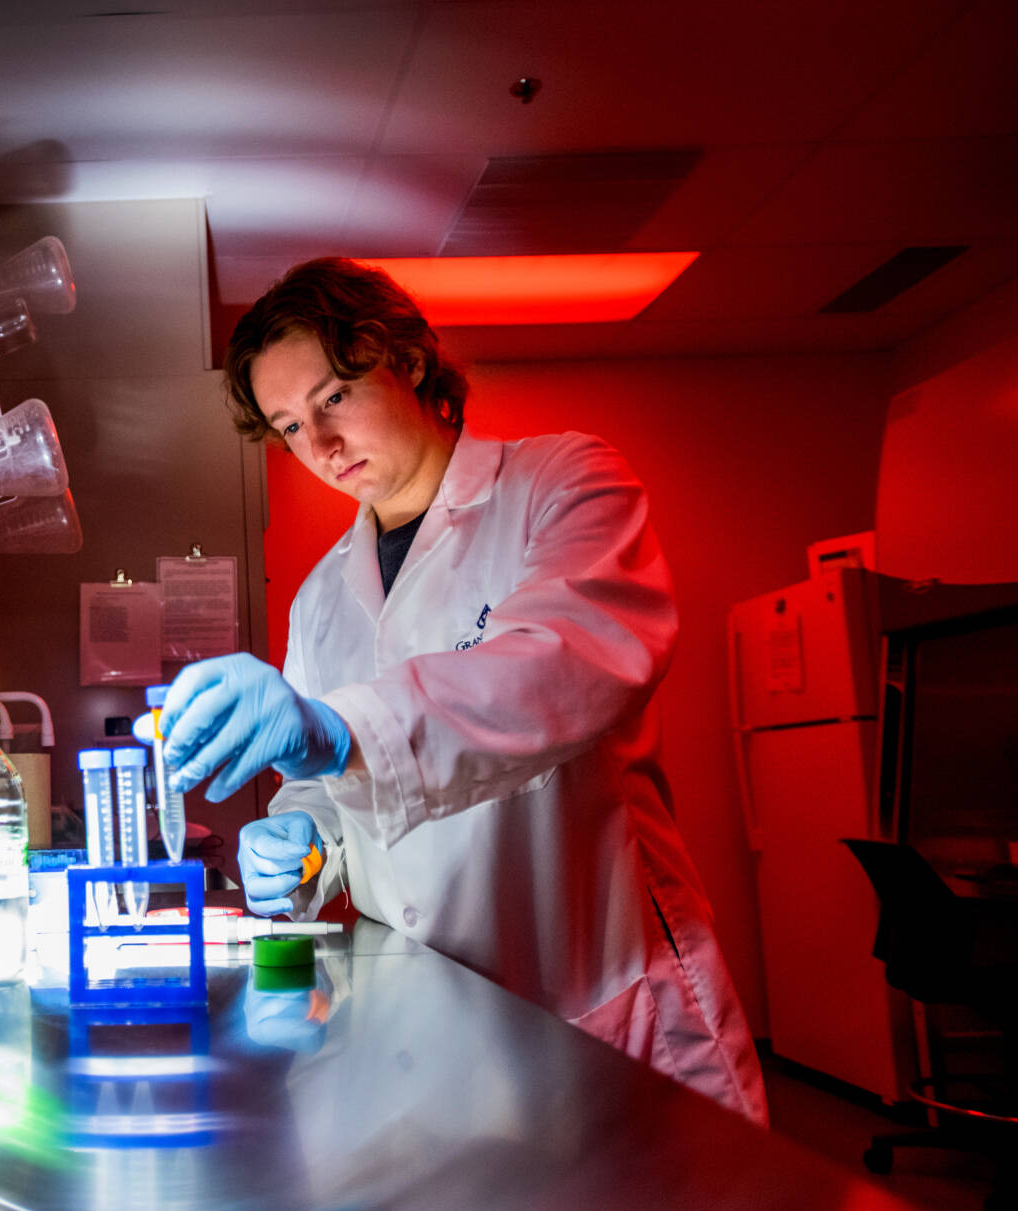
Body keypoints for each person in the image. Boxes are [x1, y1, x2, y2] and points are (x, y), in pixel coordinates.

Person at [160, 258, 767, 1123]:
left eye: (333, 397)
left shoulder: (562, 484)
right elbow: (329, 777)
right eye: (291, 426)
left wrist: (337, 732)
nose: (321, 448)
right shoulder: (320, 596)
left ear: (403, 359)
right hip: (418, 1021)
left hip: (587, 995)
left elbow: (562, 667)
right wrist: (304, 837)